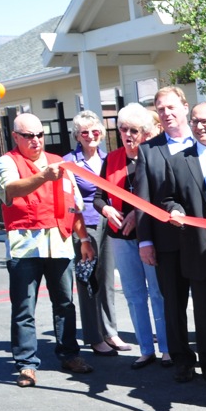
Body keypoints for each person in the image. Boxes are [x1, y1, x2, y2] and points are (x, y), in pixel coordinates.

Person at [0, 112, 96, 386]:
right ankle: (26, 364)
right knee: (24, 307)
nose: (36, 140)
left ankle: (69, 355)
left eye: (40, 135)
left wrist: (84, 239)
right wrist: (42, 176)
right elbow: (10, 190)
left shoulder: (59, 163)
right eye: (29, 136)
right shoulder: (8, 161)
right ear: (16, 136)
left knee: (64, 304)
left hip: (59, 243)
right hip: (25, 246)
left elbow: (74, 205)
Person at [159, 104, 206, 396]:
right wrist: (174, 209)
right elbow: (167, 198)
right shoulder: (178, 161)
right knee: (204, 313)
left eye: (205, 121)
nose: (200, 127)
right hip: (199, 249)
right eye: (195, 121)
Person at [96, 104, 171, 369]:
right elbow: (98, 196)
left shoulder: (153, 156)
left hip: (150, 236)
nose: (127, 135)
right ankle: (146, 349)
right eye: (123, 129)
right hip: (120, 237)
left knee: (158, 294)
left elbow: (162, 197)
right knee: (134, 294)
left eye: (133, 130)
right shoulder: (111, 159)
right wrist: (106, 209)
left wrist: (137, 215)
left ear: (145, 132)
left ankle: (166, 348)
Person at [135, 86, 196, 383]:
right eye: (161, 109)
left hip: (203, 241)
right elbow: (142, 200)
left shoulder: (203, 141)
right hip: (167, 243)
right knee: (173, 305)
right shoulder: (148, 150)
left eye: (171, 107)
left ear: (184, 107)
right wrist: (145, 241)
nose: (167, 113)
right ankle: (182, 358)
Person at [63, 112, 125, 356]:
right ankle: (94, 336)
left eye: (95, 131)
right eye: (84, 132)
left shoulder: (108, 158)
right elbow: (68, 199)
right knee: (88, 281)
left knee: (107, 279)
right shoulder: (69, 162)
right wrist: (82, 236)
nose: (90, 136)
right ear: (77, 136)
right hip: (84, 226)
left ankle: (110, 331)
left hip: (109, 222)